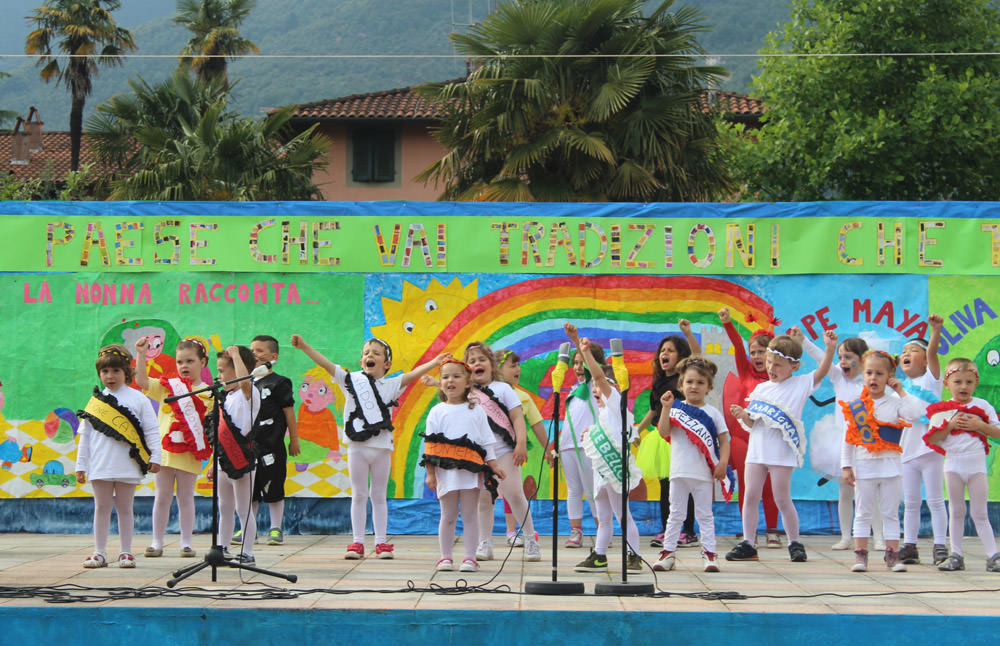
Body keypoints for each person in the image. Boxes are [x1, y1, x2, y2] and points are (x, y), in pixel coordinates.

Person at [290, 334, 448, 559]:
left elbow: (414, 374)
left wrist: (434, 363)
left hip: (382, 448)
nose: (369, 356)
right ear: (361, 360)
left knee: (379, 495)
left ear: (387, 363)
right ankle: (357, 543)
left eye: (376, 353)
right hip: (357, 447)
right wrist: (305, 346)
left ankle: (382, 543)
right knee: (359, 494)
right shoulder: (350, 380)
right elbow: (324, 363)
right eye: (366, 353)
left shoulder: (392, 384)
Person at [726, 330, 837, 563]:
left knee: (782, 498)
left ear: (793, 366)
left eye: (777, 364)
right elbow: (752, 422)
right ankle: (748, 542)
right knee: (750, 496)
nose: (771, 368)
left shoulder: (801, 384)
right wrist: (742, 415)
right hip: (757, 450)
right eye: (769, 363)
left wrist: (829, 349)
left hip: (781, 452)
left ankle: (794, 542)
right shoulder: (761, 389)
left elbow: (823, 370)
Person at [75, 344, 161, 568]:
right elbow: (85, 437)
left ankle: (126, 552)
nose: (109, 376)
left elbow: (151, 430)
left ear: (126, 372)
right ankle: (100, 552)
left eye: (115, 371)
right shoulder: (95, 402)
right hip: (100, 465)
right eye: (105, 372)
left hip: (128, 465)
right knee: (101, 508)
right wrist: (80, 465)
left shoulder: (139, 399)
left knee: (125, 509)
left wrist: (156, 457)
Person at [798, 331, 884, 551]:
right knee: (845, 492)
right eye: (840, 357)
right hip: (843, 444)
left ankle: (879, 537)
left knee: (867, 493)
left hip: (866, 444)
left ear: (862, 359)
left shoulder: (870, 382)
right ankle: (846, 536)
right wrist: (804, 341)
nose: (842, 362)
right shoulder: (837, 377)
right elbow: (821, 358)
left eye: (848, 357)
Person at [840, 350, 924, 572]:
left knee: (890, 512)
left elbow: (915, 414)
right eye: (869, 373)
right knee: (863, 511)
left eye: (879, 373)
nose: (873, 378)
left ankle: (892, 555)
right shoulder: (856, 405)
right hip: (864, 466)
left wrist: (901, 391)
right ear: (863, 375)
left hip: (891, 466)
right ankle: (860, 556)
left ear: (890, 376)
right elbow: (848, 439)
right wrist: (846, 466)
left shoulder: (895, 402)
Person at [421, 359, 506, 573]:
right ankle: (445, 557)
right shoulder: (436, 411)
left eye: (456, 376)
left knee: (470, 515)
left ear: (468, 382)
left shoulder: (476, 410)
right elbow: (430, 445)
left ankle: (470, 558)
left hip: (471, 472)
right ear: (440, 383)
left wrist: (493, 465)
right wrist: (430, 474)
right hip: (445, 472)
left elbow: (486, 440)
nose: (450, 380)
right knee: (448, 516)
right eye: (445, 377)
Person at [570, 335, 643, 574]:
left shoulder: (615, 401)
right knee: (603, 516)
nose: (596, 390)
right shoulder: (605, 413)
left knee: (623, 515)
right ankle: (600, 556)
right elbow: (608, 432)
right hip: (602, 472)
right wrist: (589, 434)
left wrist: (587, 353)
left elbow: (600, 377)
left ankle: (634, 556)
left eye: (599, 387)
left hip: (614, 469)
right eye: (594, 389)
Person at [135, 336, 214, 559]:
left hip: (190, 453)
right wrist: (141, 354)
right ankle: (156, 541)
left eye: (190, 361)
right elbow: (142, 381)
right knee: (162, 496)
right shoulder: (168, 386)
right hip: (165, 452)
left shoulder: (209, 393)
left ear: (203, 362)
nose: (184, 366)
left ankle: (186, 543)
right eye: (180, 362)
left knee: (186, 497)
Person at [462, 341, 541, 562]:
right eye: (472, 361)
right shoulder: (467, 393)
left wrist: (521, 444)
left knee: (514, 494)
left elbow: (517, 417)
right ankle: (485, 543)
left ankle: (530, 539)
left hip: (506, 450)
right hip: (480, 455)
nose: (477, 363)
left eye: (481, 359)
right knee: (484, 499)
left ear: (490, 364)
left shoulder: (503, 388)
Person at [654, 356, 731, 573]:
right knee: (675, 513)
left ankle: (709, 554)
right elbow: (663, 432)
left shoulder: (713, 413)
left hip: (704, 474)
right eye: (689, 382)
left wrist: (723, 462)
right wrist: (666, 408)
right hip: (679, 472)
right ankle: (668, 553)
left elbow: (724, 440)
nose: (694, 386)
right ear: (681, 385)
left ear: (709, 387)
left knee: (705, 514)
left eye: (699, 382)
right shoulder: (676, 410)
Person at [924, 358, 1000, 572]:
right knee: (956, 511)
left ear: (976, 383)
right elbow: (932, 439)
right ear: (947, 384)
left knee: (980, 513)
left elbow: (997, 432)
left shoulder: (982, 406)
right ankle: (956, 554)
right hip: (953, 467)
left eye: (968, 382)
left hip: (976, 468)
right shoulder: (941, 410)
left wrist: (980, 426)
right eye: (958, 382)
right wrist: (949, 425)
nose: (963, 386)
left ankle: (993, 556)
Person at [716, 307, 782, 548]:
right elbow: (737, 346)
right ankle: (749, 532)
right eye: (753, 352)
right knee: (748, 485)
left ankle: (773, 530)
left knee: (771, 486)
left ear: (771, 354)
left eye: (761, 352)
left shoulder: (779, 379)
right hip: (743, 439)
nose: (756, 356)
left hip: (771, 438)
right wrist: (728, 324)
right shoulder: (745, 373)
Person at [635, 323, 702, 548]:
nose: (665, 353)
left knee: (685, 482)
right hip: (661, 437)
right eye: (663, 350)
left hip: (681, 436)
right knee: (666, 485)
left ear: (680, 355)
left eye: (671, 350)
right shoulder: (658, 381)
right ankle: (666, 529)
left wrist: (688, 333)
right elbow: (654, 410)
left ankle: (689, 531)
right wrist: (638, 430)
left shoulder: (684, 378)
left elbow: (697, 355)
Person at [235, 335, 299, 548]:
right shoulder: (246, 383)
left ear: (274, 356)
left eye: (260, 351)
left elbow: (289, 412)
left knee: (273, 485)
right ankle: (248, 528)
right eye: (252, 351)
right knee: (249, 488)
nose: (255, 355)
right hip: (250, 446)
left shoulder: (280, 383)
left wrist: (294, 439)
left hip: (273, 445)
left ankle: (275, 527)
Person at [896, 315, 947, 566]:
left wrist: (935, 331)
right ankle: (910, 545)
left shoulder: (931, 379)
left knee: (936, 499)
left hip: (931, 449)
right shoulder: (901, 385)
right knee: (911, 501)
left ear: (925, 360)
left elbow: (935, 353)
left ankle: (940, 545)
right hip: (907, 450)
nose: (906, 353)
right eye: (904, 351)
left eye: (913, 350)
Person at [210, 345, 261, 565]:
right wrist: (213, 462)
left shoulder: (248, 393)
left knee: (243, 508)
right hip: (223, 460)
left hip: (242, 458)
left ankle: (247, 551)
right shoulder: (227, 397)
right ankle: (223, 547)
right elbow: (221, 432)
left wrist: (238, 355)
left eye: (222, 370)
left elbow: (244, 382)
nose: (219, 376)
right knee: (225, 507)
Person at [495, 349, 549, 547]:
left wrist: (548, 450)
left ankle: (515, 531)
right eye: (512, 365)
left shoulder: (523, 397)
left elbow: (536, 424)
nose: (518, 369)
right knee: (484, 496)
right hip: (486, 454)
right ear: (498, 370)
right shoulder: (486, 393)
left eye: (518, 365)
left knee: (513, 492)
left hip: (510, 453)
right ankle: (481, 541)